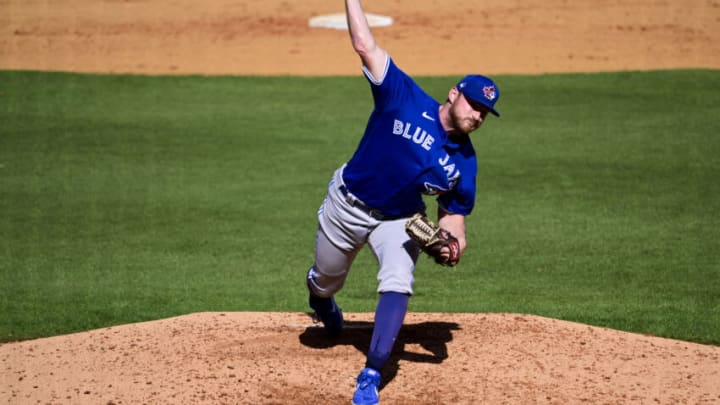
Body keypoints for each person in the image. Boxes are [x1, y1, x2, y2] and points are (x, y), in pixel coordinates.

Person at [305, 1, 501, 404]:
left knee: (398, 279)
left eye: (485, 112)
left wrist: (452, 246)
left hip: (400, 219)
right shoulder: (403, 97)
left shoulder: (465, 162)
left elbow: (455, 216)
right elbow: (364, 44)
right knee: (327, 280)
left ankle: (371, 373)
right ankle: (320, 298)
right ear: (454, 94)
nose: (478, 116)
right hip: (347, 204)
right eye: (474, 105)